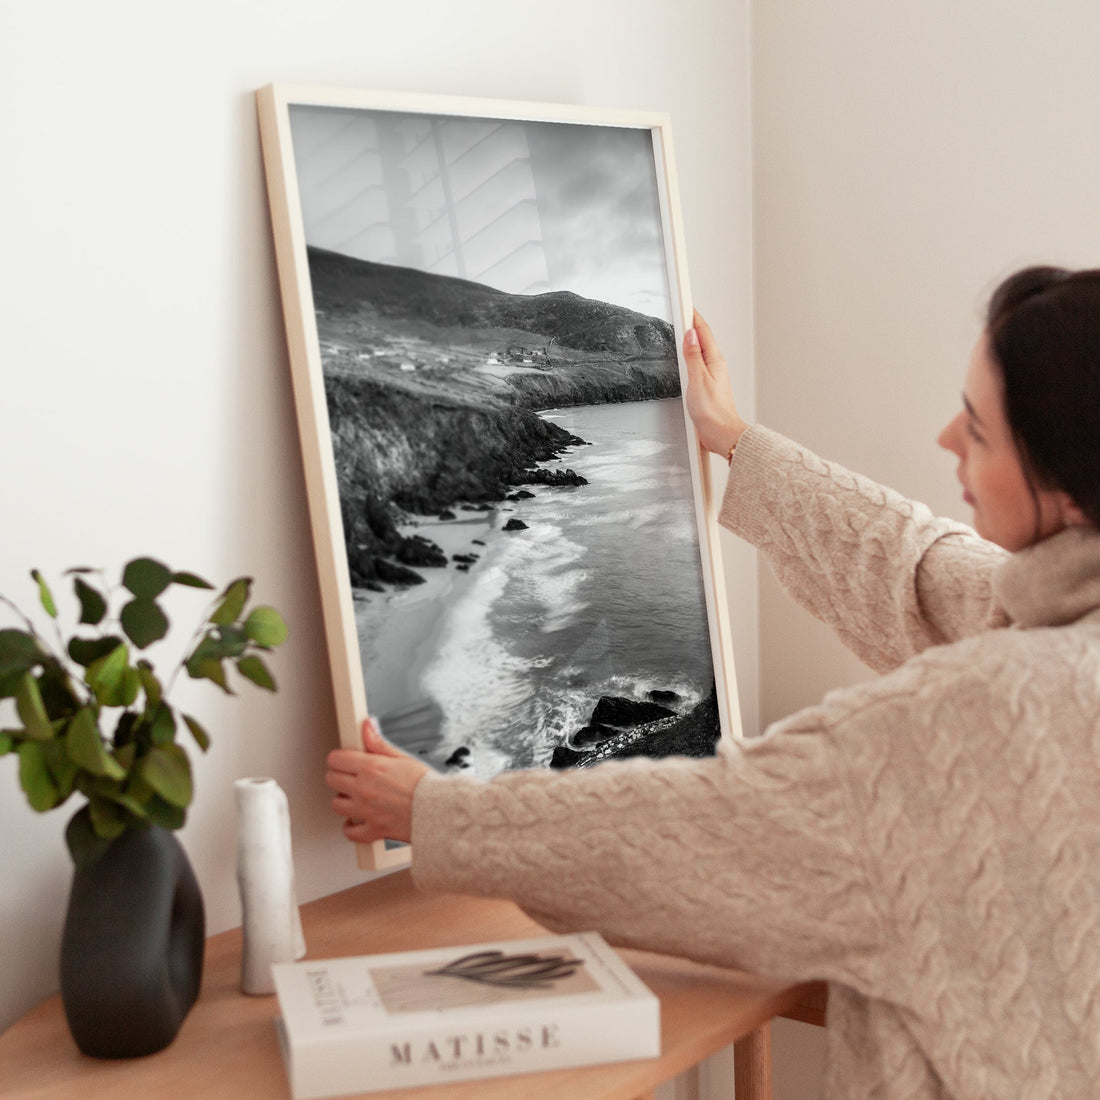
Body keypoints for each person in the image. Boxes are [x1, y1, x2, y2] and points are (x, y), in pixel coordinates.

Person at [325, 266, 1100, 1099]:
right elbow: (918, 569)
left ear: (1065, 485)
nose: (947, 438)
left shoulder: (982, 713)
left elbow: (710, 828)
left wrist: (435, 812)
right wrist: (735, 440)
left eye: (979, 431)